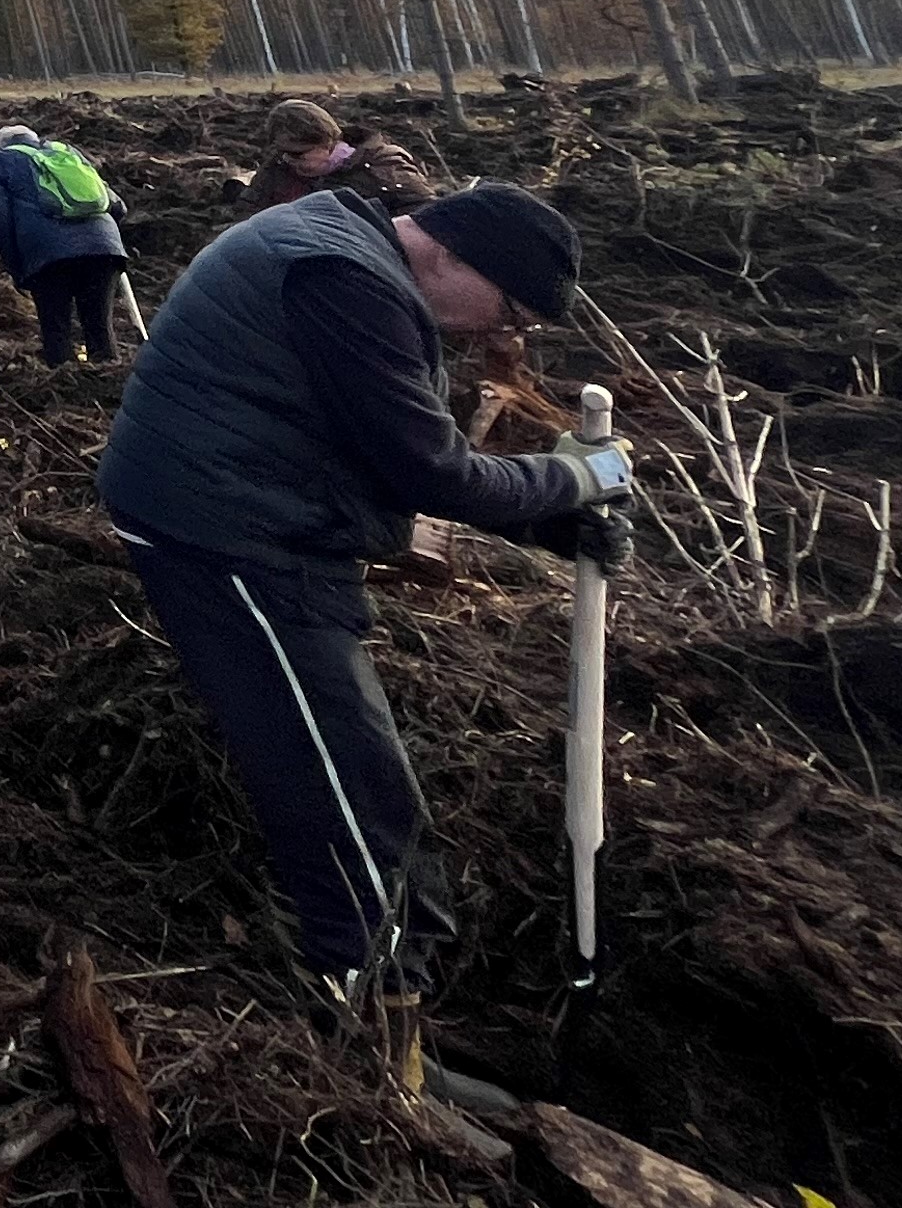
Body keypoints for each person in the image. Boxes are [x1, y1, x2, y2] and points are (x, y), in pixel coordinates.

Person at [96, 176, 633, 1083]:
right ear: (452, 253)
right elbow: (431, 471)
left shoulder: (344, 252)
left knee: (344, 778)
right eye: (508, 307)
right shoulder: (343, 279)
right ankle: (377, 1052)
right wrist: (573, 480)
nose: (504, 334)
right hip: (229, 534)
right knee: (354, 798)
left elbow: (374, 440)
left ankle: (388, 1019)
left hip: (257, 513)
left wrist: (547, 521)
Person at [0, 120, 132, 365]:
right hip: (104, 250)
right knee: (100, 329)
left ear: (2, 145)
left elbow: (0, 222)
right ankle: (108, 388)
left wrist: (17, 270)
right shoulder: (65, 152)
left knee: (56, 331)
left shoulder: (1, 160)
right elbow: (117, 206)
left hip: (48, 256)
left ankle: (64, 391)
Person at [241, 97, 436, 217]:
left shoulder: (383, 165)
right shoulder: (275, 171)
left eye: (298, 154)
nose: (288, 160)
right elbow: (246, 217)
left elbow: (424, 215)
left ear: (327, 144)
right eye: (282, 152)